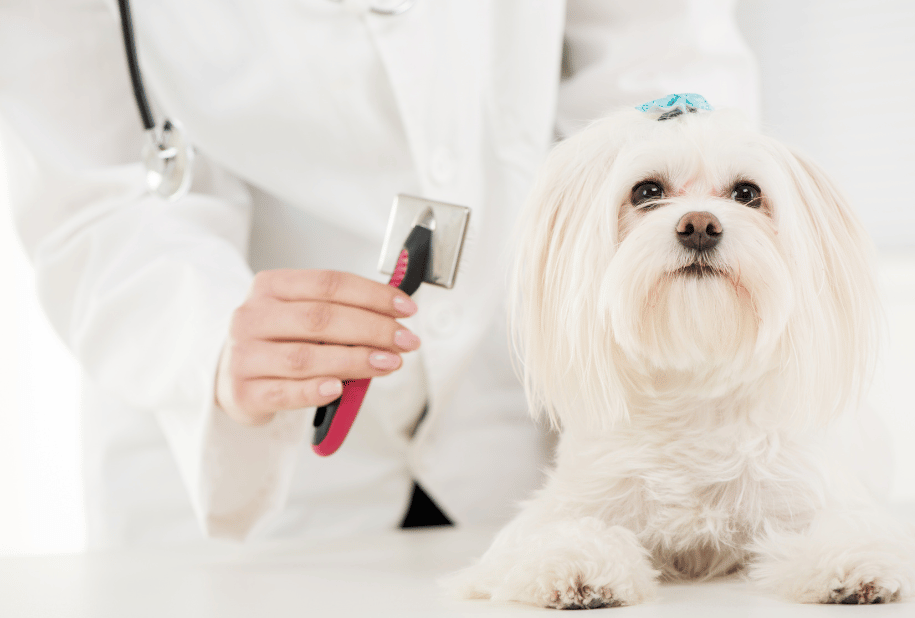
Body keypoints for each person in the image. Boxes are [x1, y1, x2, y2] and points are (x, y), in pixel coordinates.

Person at [0, 0, 759, 548]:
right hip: (260, 480)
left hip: (527, 426)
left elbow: (663, 80)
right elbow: (98, 195)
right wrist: (209, 341)